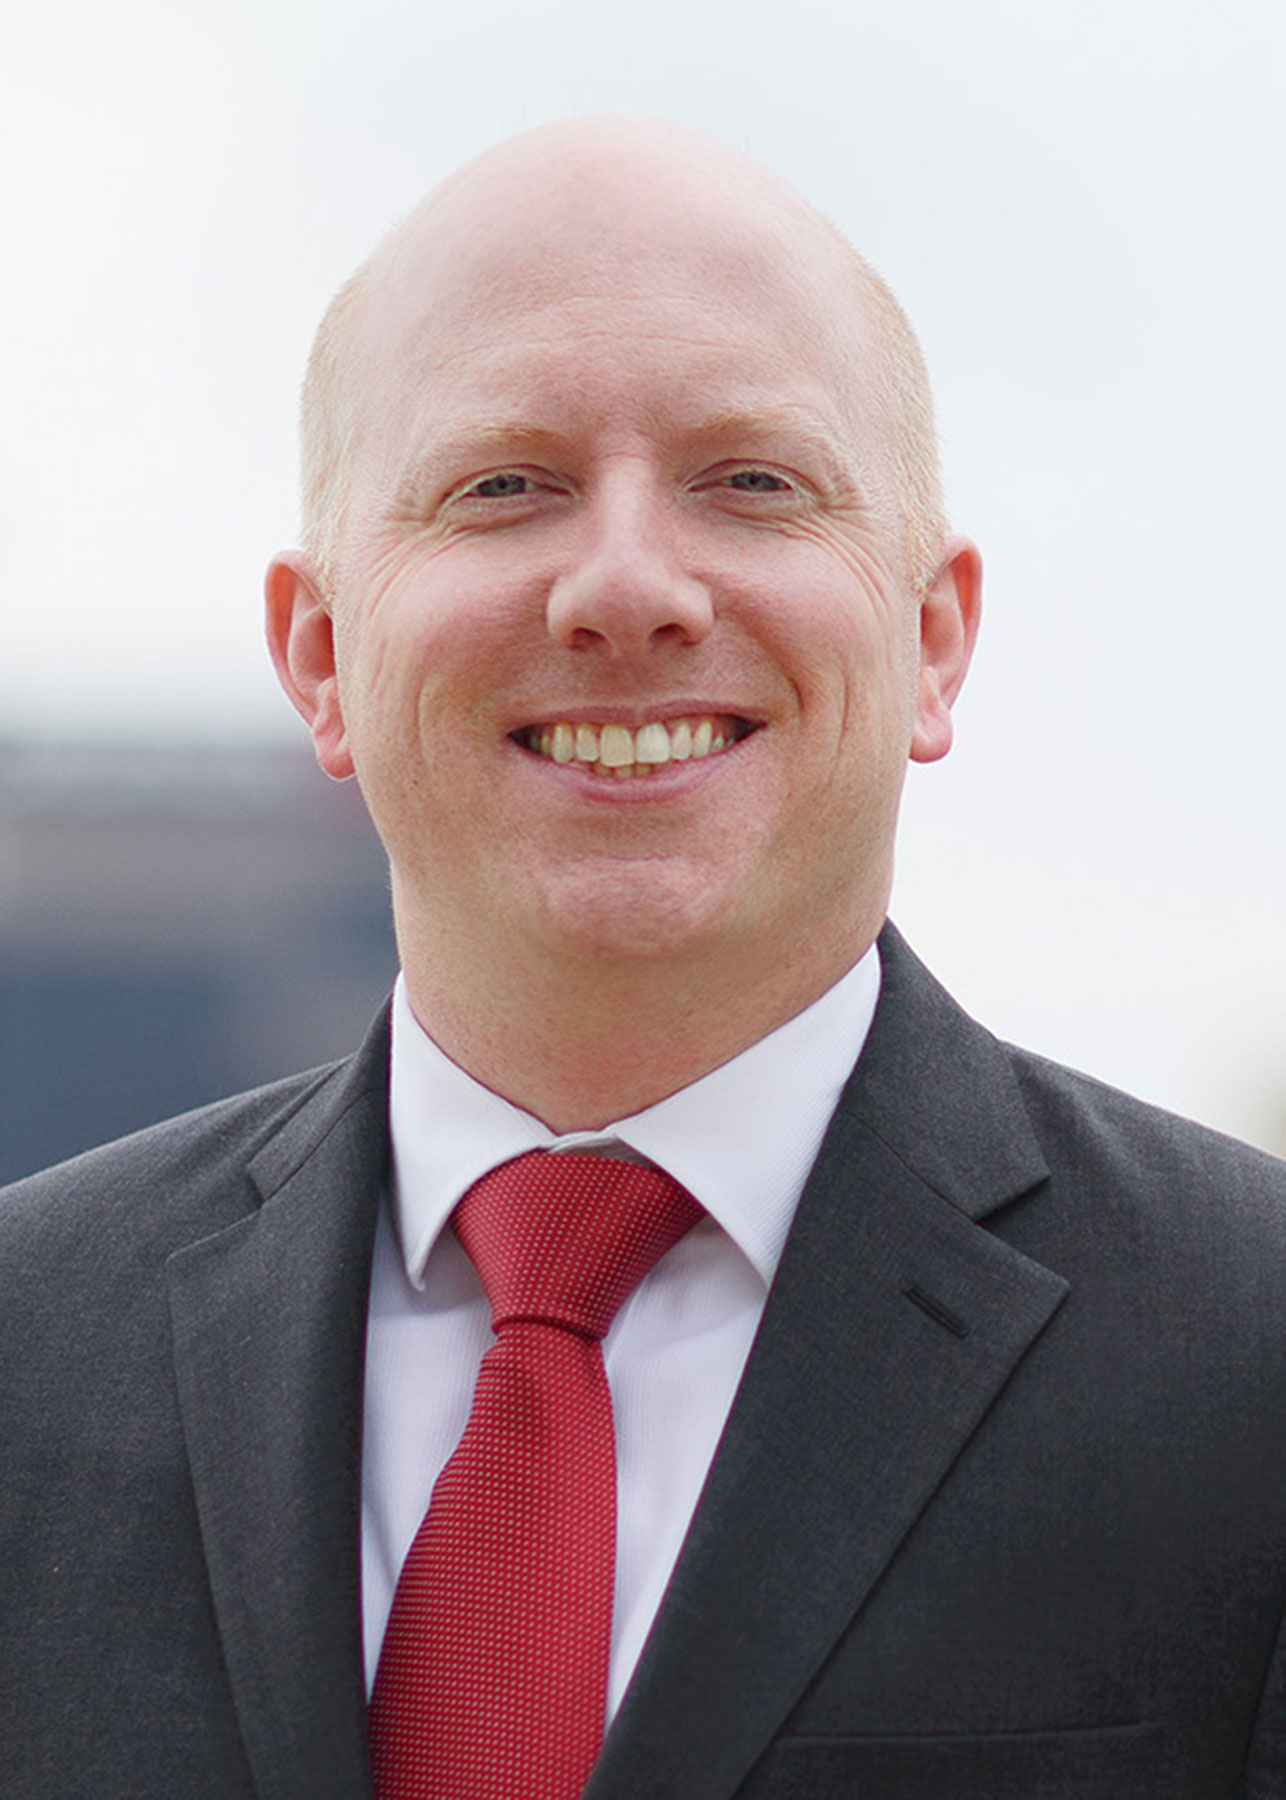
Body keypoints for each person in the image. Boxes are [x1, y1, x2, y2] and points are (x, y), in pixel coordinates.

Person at [2, 116, 1285, 1800]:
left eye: (751, 481)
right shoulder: (23, 1355)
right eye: (503, 486)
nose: (625, 587)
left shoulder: (1253, 1362)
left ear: (930, 640)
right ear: (319, 656)